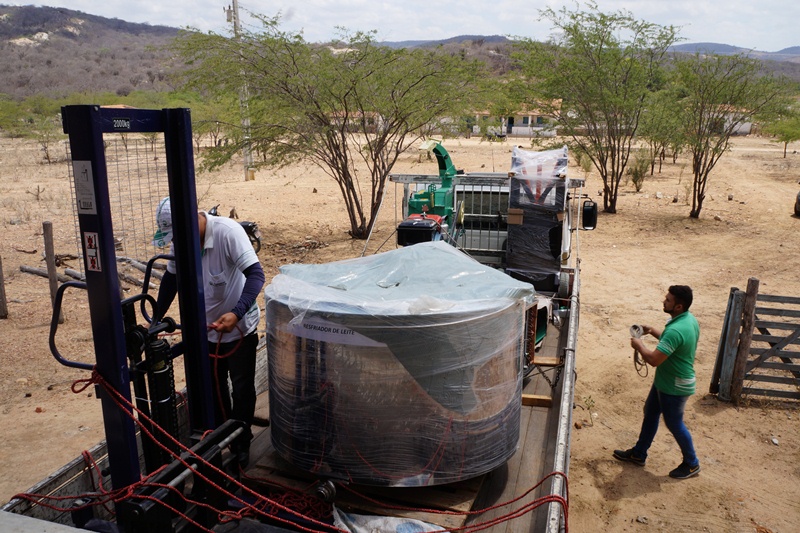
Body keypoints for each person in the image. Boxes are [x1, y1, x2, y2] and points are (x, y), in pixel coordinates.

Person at [152, 197, 265, 469]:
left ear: (193, 219)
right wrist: (155, 320)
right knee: (214, 388)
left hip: (239, 330)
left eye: (177, 235)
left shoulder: (228, 233)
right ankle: (224, 439)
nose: (175, 242)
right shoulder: (182, 242)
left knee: (242, 388)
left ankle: (242, 443)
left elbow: (256, 275)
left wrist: (236, 313)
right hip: (208, 333)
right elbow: (171, 279)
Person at [613, 285, 701, 479]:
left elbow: (653, 360)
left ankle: (692, 463)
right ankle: (639, 453)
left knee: (674, 424)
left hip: (674, 386)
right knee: (651, 413)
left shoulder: (676, 329)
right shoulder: (688, 319)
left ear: (678, 306)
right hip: (666, 381)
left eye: (668, 300)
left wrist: (639, 345)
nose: (664, 301)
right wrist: (652, 331)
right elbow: (673, 343)